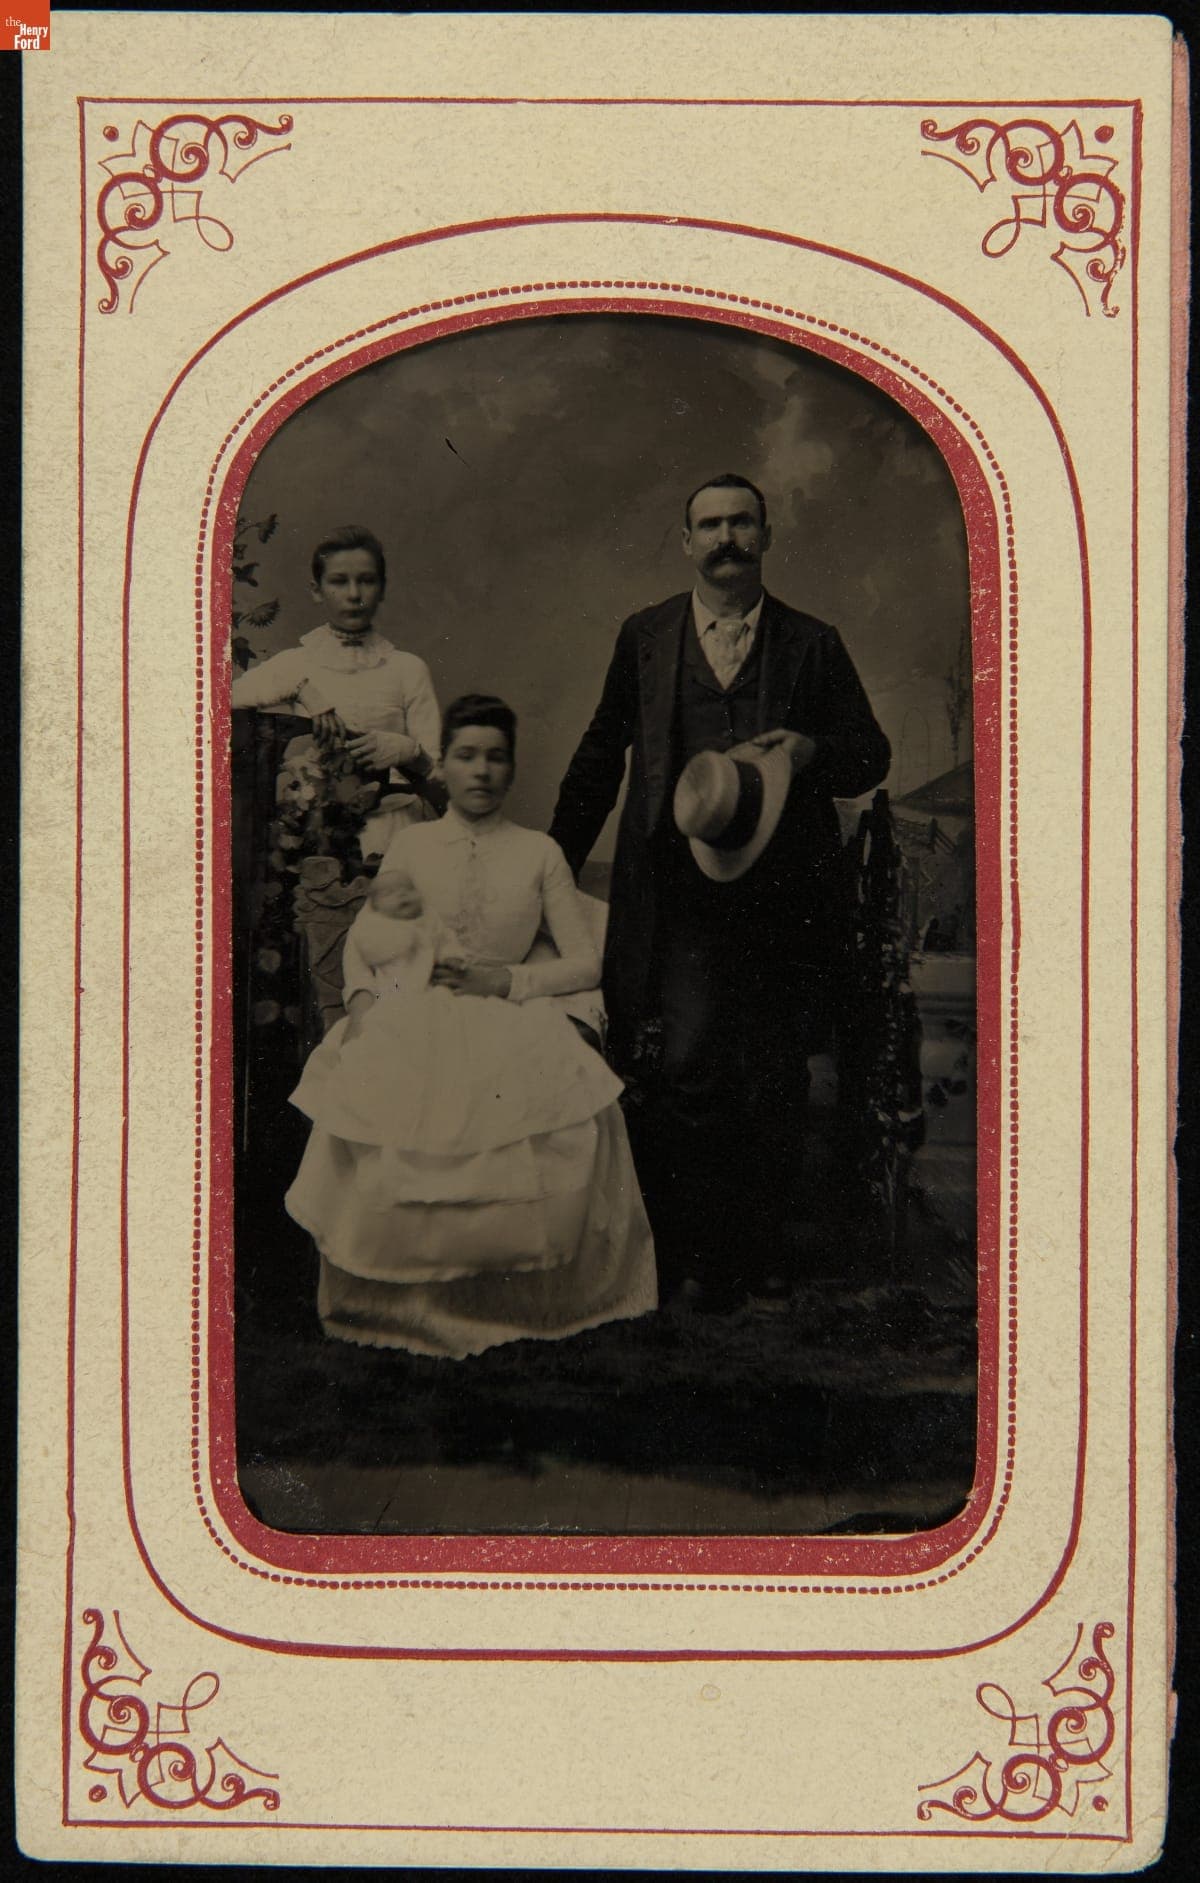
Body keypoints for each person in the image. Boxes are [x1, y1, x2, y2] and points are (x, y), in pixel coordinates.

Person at [549, 474, 891, 1311]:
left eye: (742, 522)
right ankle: (698, 1254)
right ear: (686, 541)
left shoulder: (813, 642)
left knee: (774, 1076)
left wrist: (811, 750)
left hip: (784, 896)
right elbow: (602, 753)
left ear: (767, 536)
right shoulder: (647, 636)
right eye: (710, 524)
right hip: (681, 898)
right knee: (692, 1067)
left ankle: (765, 1254)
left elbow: (870, 755)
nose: (726, 537)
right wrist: (553, 862)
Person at [284, 694, 657, 1358]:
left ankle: (522, 1304)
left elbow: (583, 959)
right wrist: (366, 998)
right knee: (387, 1088)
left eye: (495, 757)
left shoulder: (539, 852)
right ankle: (400, 1301)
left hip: (508, 1006)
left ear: (511, 769)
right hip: (419, 1004)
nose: (480, 771)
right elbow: (368, 942)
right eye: (465, 755)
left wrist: (510, 981)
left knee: (551, 1101)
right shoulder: (412, 846)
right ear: (444, 765)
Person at [231, 524, 443, 849]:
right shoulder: (294, 664)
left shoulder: (408, 669)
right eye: (339, 581)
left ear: (382, 588)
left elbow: (442, 784)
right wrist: (302, 689)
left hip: (396, 833)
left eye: (367, 581)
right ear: (317, 590)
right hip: (314, 838)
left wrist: (411, 753)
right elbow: (217, 704)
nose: (354, 594)